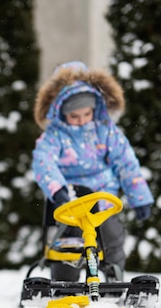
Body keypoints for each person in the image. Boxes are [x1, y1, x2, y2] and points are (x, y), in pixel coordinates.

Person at [31, 61, 154, 281]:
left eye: (86, 114)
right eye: (74, 116)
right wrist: (58, 189)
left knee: (112, 235)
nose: (81, 121)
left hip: (103, 195)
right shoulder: (54, 136)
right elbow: (44, 161)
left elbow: (126, 162)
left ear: (95, 109)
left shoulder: (106, 131)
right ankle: (64, 280)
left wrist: (140, 197)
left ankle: (113, 274)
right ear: (61, 112)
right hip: (71, 197)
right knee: (70, 239)